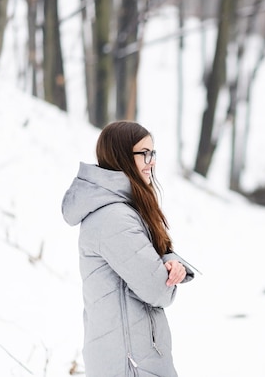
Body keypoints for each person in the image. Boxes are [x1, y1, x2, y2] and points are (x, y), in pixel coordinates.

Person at [62, 120, 194, 376]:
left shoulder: (122, 209)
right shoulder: (114, 218)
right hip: (129, 362)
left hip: (132, 356)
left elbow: (148, 264)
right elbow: (157, 289)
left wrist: (170, 261)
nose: (152, 161)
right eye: (144, 153)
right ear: (121, 155)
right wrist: (166, 271)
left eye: (153, 153)